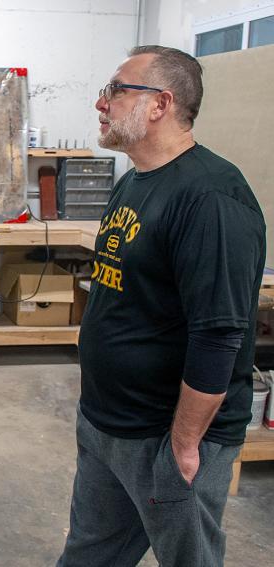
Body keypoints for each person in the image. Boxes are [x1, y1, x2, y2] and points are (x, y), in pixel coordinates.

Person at [57, 45, 265, 566]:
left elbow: (219, 336)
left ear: (160, 104)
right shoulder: (133, 181)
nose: (101, 103)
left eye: (116, 90)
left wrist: (185, 443)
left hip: (166, 436)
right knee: (90, 554)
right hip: (107, 422)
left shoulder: (212, 198)